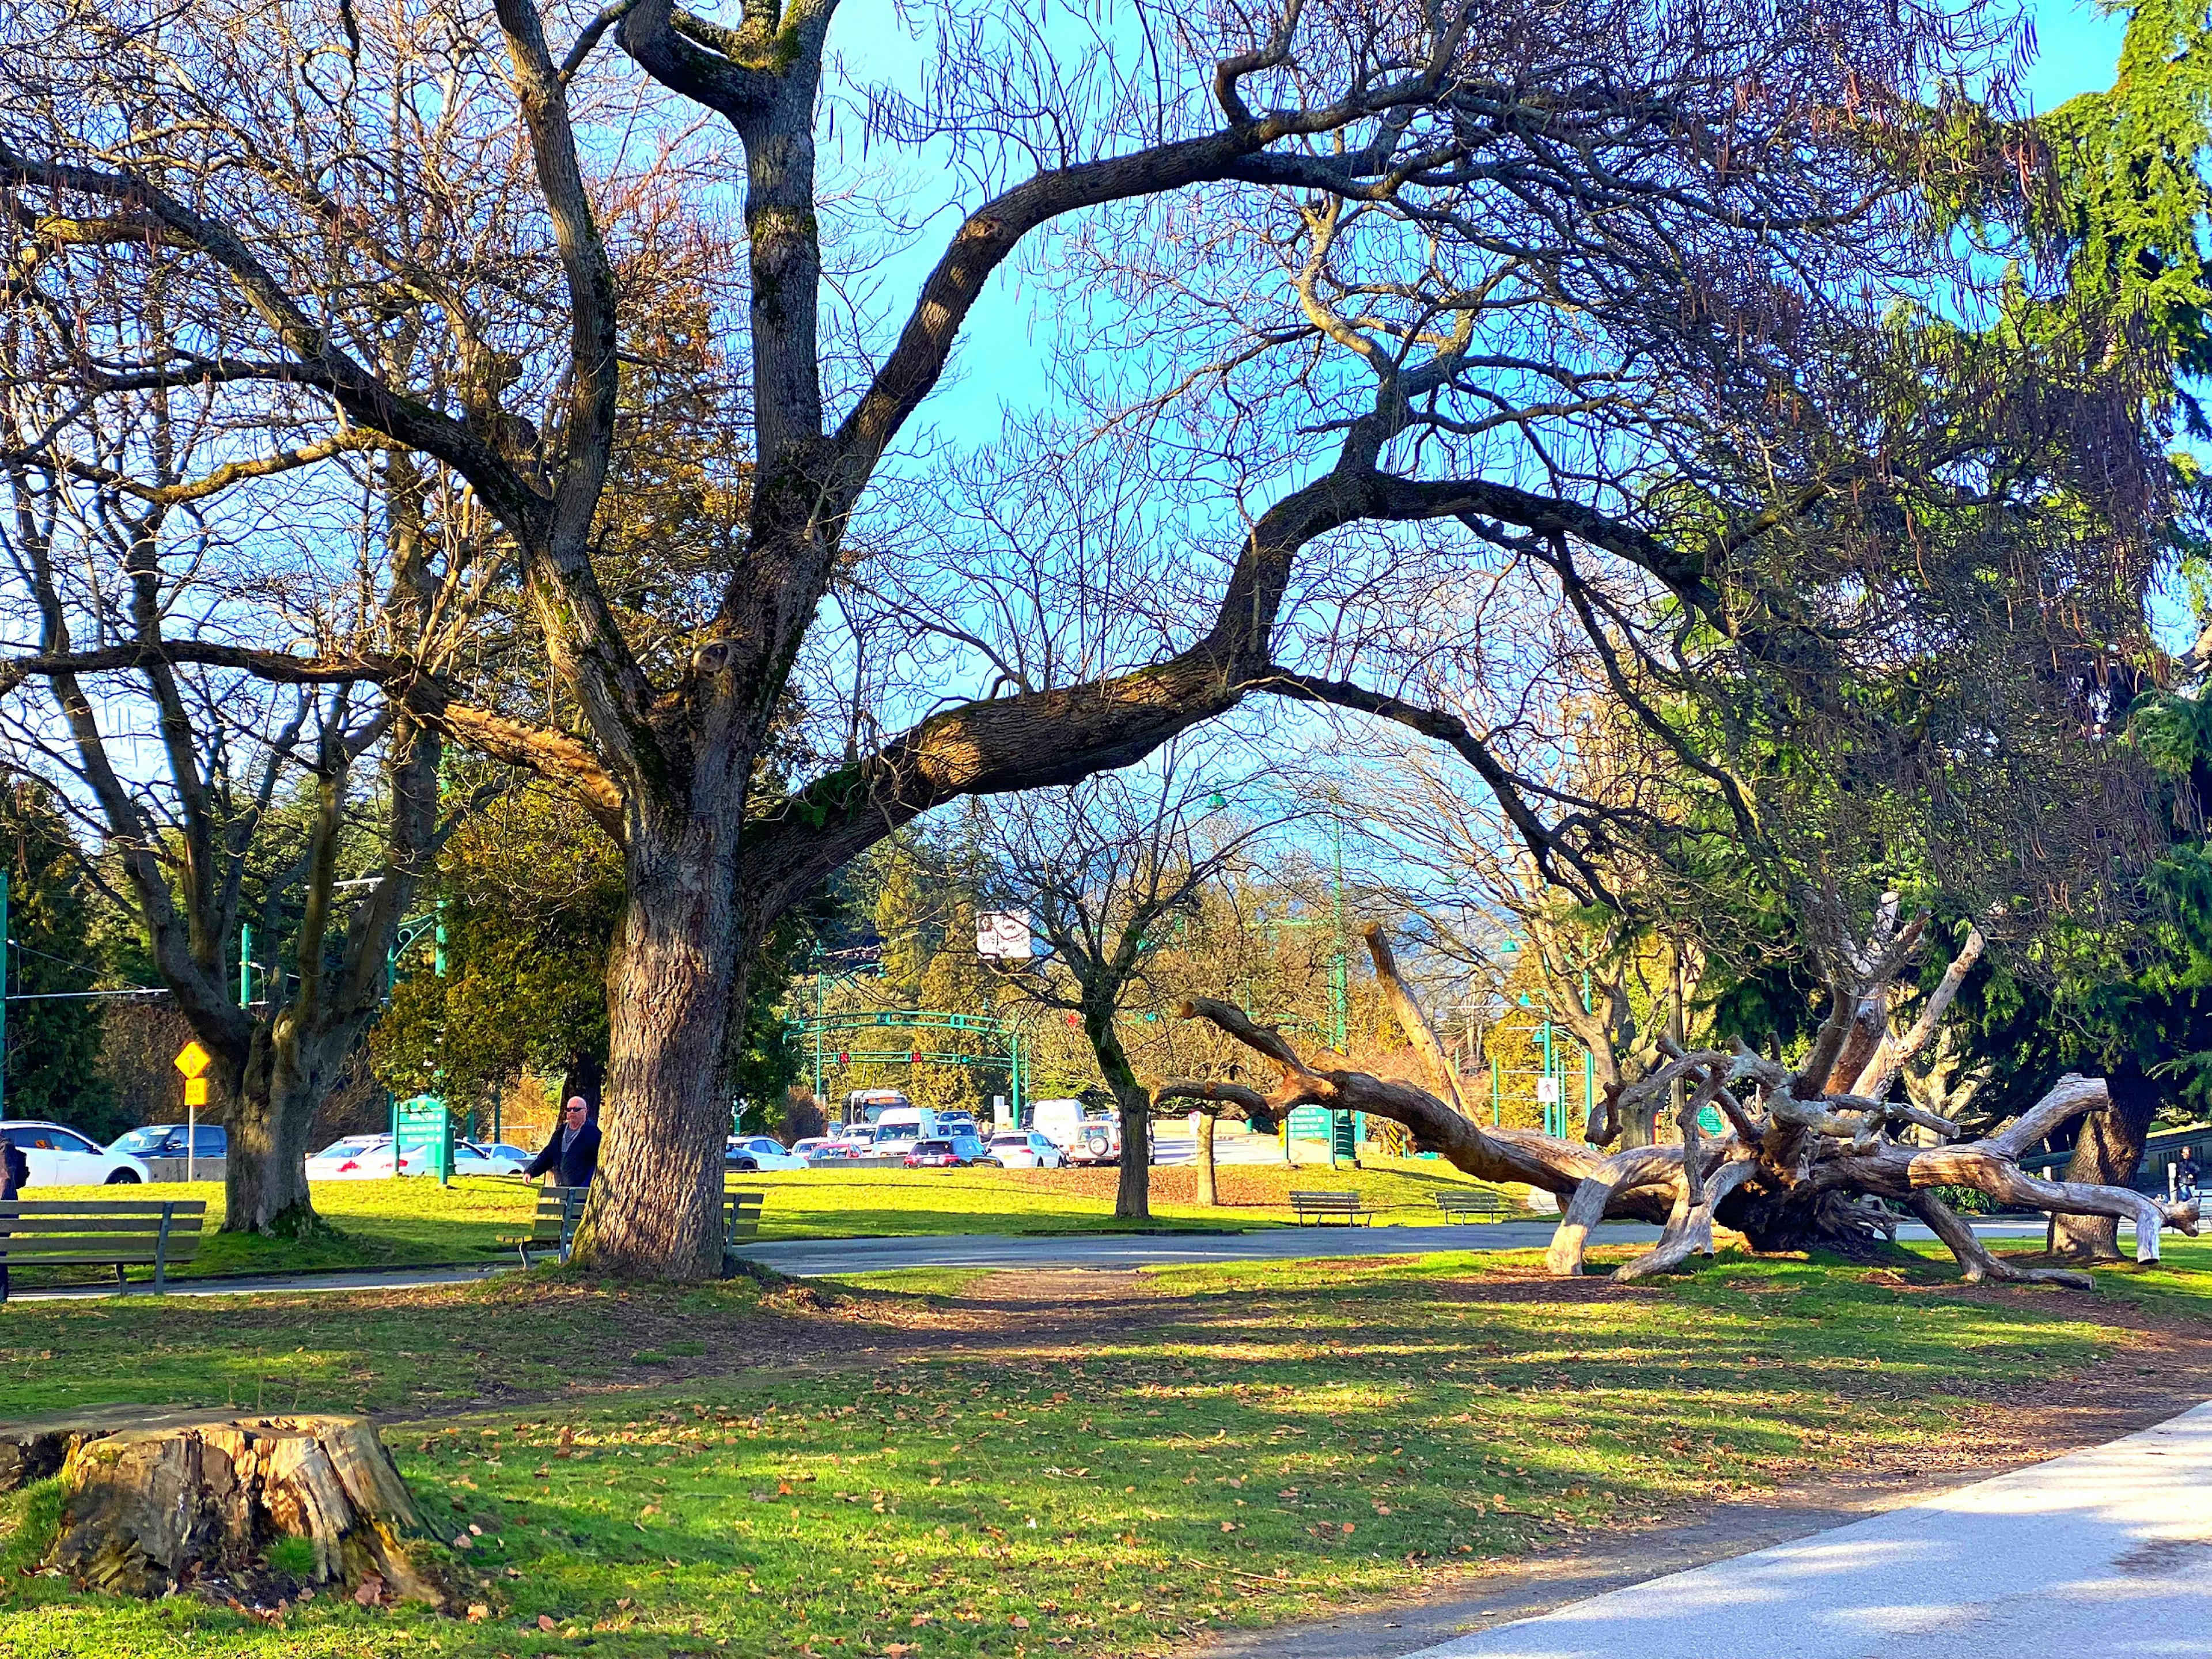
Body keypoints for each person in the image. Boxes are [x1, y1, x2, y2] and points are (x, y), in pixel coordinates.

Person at [524, 1097, 600, 1188]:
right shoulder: (560, 1133)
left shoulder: (593, 1134)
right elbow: (548, 1156)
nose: (572, 1112)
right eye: (569, 1109)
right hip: (562, 1188)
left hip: (582, 1191)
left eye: (576, 1109)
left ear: (585, 1111)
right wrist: (530, 1172)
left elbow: (597, 1164)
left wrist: (586, 1185)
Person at [0, 1130, 28, 1303]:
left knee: (1, 1251)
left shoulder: (5, 1149)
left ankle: (2, 1294)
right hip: (8, 1207)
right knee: (1, 1252)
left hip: (4, 1208)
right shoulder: (7, 1147)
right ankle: (2, 1294)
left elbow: (7, 1180)